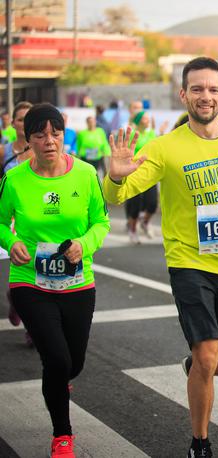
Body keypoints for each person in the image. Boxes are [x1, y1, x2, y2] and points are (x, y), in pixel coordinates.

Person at [103, 57, 218, 458]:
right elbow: (117, 196)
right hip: (189, 262)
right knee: (209, 354)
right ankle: (200, 442)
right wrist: (116, 175)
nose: (205, 96)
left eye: (213, 89)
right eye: (197, 89)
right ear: (183, 95)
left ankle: (195, 366)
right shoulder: (165, 147)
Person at [0, 103, 110, 458]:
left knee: (72, 362)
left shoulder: (85, 173)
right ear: (28, 140)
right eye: (40, 134)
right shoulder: (15, 179)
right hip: (30, 280)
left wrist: (84, 243)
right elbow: (1, 222)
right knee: (57, 360)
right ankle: (62, 435)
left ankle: (57, 383)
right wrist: (12, 241)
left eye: (56, 132)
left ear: (64, 134)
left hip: (78, 282)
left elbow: (101, 223)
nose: (49, 140)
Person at [1, 101, 34, 346]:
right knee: (21, 267)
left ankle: (34, 327)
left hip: (39, 219)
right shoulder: (4, 152)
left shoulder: (45, 150)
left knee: (38, 270)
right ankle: (16, 297)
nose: (24, 123)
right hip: (11, 220)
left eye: (29, 118)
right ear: (13, 123)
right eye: (20, 119)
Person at [123, 111, 158, 243]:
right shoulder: (132, 134)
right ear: (138, 121)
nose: (147, 120)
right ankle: (132, 229)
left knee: (152, 203)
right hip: (134, 173)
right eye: (144, 118)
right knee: (135, 205)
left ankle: (145, 222)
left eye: (148, 118)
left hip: (150, 173)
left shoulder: (151, 134)